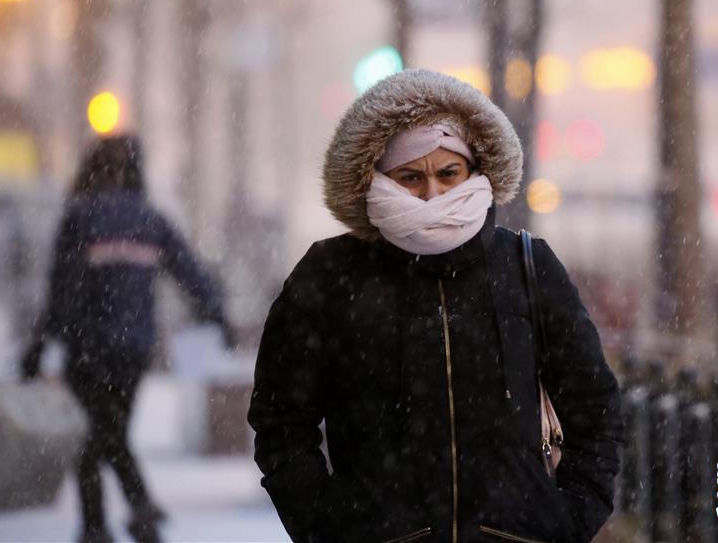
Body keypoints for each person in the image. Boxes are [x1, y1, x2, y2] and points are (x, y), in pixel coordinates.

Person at [248, 69, 622, 543]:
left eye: (449, 173)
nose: (432, 194)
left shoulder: (525, 266)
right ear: (376, 178)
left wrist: (567, 520)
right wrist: (325, 527)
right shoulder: (329, 275)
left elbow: (596, 405)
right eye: (410, 177)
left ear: (475, 171)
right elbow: (281, 421)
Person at [20, 134, 234, 543]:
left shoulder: (79, 218)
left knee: (98, 436)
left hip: (88, 347)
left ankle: (114, 520)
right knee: (104, 434)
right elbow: (190, 272)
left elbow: (61, 288)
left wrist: (41, 341)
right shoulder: (150, 220)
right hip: (134, 348)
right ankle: (121, 519)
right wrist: (215, 314)